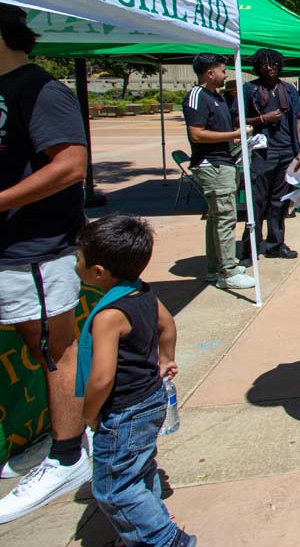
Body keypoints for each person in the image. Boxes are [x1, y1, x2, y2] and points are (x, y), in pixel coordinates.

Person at [0, 4, 90, 524]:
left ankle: (67, 453)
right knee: (38, 344)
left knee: (56, 346)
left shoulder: (41, 89)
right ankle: (66, 431)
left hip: (36, 246)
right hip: (14, 249)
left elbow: (70, 165)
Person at [73, 215, 195, 547]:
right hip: (150, 400)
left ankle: (164, 539)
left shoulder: (108, 316)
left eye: (78, 259)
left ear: (98, 271)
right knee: (139, 470)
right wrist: (167, 358)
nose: (75, 264)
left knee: (115, 487)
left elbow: (101, 378)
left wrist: (88, 413)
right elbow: (167, 324)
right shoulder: (142, 292)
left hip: (124, 410)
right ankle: (148, 523)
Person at [184, 54, 253, 290]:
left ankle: (216, 267)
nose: (226, 75)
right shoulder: (197, 97)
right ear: (210, 73)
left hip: (223, 162)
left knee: (217, 218)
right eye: (223, 70)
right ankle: (228, 271)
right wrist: (235, 135)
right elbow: (196, 134)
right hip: (211, 165)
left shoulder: (218, 98)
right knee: (225, 217)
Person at [240, 48, 300, 262]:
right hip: (262, 153)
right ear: (257, 67)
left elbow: (297, 119)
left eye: (273, 64)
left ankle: (276, 244)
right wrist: (263, 119)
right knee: (258, 202)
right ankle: (251, 248)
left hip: (287, 151)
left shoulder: (288, 89)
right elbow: (238, 120)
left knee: (280, 201)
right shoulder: (249, 89)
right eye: (265, 64)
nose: (269, 68)